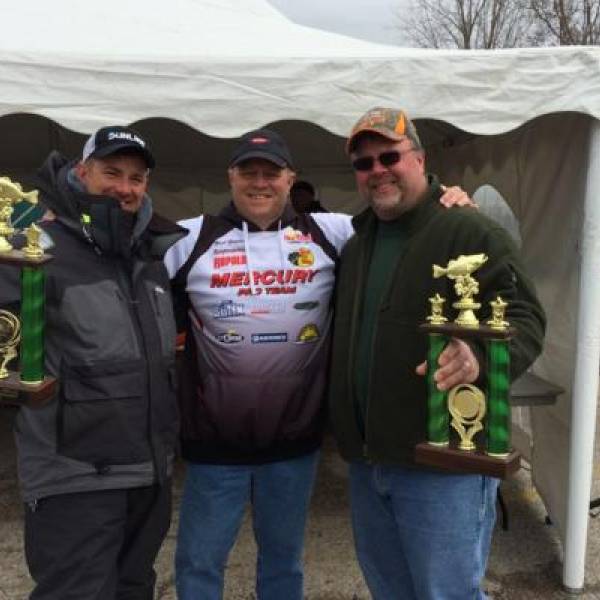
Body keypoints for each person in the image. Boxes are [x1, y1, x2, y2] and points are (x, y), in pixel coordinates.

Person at [165, 127, 471, 600]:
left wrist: (447, 201)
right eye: (249, 172)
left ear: (291, 179)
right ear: (231, 177)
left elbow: (402, 222)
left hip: (295, 443)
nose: (260, 182)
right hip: (213, 445)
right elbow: (120, 255)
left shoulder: (333, 232)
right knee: (200, 562)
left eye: (271, 173)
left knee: (283, 563)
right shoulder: (188, 237)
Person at [328, 107, 546, 600]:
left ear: (420, 159)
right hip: (368, 460)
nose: (378, 170)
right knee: (391, 590)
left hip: (442, 464)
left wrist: (480, 357)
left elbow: (526, 317)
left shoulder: (469, 230)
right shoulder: (357, 246)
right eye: (364, 163)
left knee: (446, 593)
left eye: (389, 157)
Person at [0, 126, 186, 600]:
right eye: (111, 173)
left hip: (148, 473)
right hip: (74, 477)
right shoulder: (34, 244)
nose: (125, 187)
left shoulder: (149, 255)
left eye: (136, 178)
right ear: (82, 172)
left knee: (133, 589)